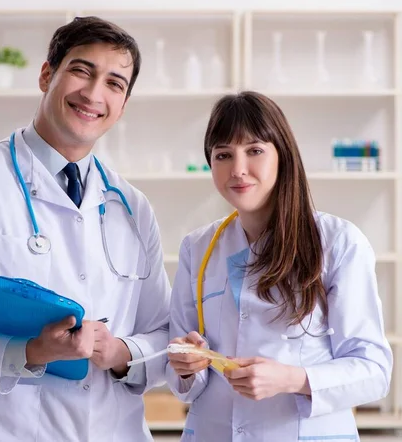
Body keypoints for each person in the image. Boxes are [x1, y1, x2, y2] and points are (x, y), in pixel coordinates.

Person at [0, 16, 171, 442]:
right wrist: (31, 352)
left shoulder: (132, 207)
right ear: (47, 75)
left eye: (114, 83)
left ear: (122, 105)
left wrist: (121, 353)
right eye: (81, 70)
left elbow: (162, 334)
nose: (94, 93)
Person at [166, 91, 393, 442]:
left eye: (254, 151)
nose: (238, 169)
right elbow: (181, 372)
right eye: (223, 154)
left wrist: (292, 379)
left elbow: (374, 370)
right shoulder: (197, 248)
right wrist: (185, 366)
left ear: (282, 156)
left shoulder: (337, 242)